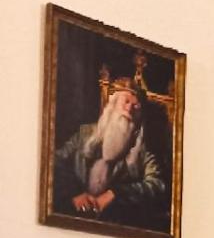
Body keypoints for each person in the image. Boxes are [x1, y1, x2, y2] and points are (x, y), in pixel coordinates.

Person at [54, 79, 166, 227]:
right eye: (126, 102)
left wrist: (116, 194)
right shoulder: (85, 134)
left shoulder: (141, 148)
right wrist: (74, 194)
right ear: (113, 105)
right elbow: (55, 162)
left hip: (113, 222)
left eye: (136, 106)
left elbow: (157, 184)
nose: (129, 109)